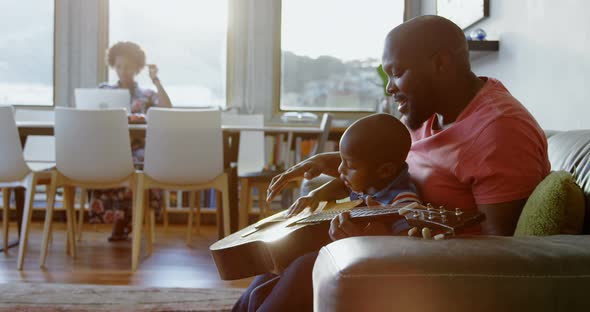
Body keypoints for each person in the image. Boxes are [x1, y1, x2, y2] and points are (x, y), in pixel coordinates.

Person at [236, 15, 551, 311]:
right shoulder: (430, 115)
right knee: (270, 270)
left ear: (440, 63)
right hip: (396, 240)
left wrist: (382, 241)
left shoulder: (499, 131)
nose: (388, 87)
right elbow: (392, 169)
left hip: (440, 272)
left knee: (307, 267)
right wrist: (330, 163)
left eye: (397, 73)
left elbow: (504, 256)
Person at [234, 113, 421, 312]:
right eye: (341, 161)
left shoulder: (403, 202)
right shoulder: (373, 182)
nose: (340, 170)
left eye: (350, 166)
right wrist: (315, 196)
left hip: (366, 267)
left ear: (385, 171)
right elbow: (343, 185)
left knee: (300, 268)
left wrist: (372, 237)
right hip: (337, 247)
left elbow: (407, 247)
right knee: (269, 270)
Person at [88, 41, 172, 241]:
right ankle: (122, 220)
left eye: (127, 66)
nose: (122, 71)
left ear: (137, 68)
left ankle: (128, 219)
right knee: (107, 161)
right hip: (111, 149)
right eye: (118, 66)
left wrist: (156, 80)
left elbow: (168, 110)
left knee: (139, 163)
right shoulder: (104, 91)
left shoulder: (147, 94)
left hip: (139, 149)